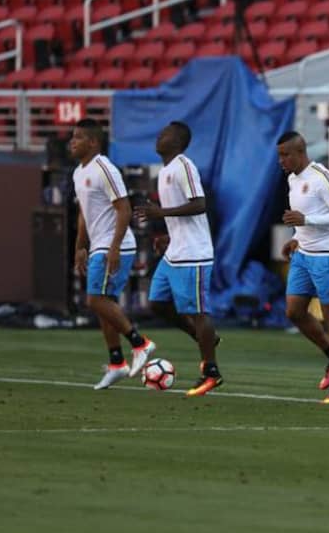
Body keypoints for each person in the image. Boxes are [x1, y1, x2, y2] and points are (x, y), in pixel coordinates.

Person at [134, 122, 222, 397]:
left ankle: (211, 372)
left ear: (179, 141)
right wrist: (168, 237)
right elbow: (186, 216)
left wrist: (161, 213)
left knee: (199, 312)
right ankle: (203, 338)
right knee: (158, 303)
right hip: (176, 251)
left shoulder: (184, 165)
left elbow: (199, 204)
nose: (160, 135)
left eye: (166, 133)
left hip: (194, 254)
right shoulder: (165, 171)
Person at [70, 118, 156, 390]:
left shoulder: (105, 169)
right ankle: (117, 363)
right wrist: (80, 247)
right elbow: (84, 214)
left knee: (95, 300)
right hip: (98, 245)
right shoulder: (77, 173)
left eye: (78, 137)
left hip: (113, 245)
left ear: (93, 142)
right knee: (104, 306)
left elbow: (124, 209)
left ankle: (139, 343)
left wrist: (115, 246)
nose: (72, 142)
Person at [277, 131, 329, 404]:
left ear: (300, 152)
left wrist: (306, 220)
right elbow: (303, 219)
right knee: (294, 311)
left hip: (328, 254)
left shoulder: (321, 176)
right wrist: (295, 238)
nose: (281, 160)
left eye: (285, 155)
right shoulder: (292, 179)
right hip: (304, 252)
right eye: (279, 155)